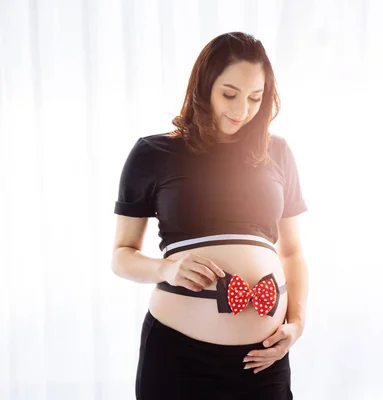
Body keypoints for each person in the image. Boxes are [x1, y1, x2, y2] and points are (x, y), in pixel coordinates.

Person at [111, 32, 309, 400]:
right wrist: (164, 268)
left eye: (255, 98)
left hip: (263, 359)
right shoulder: (152, 154)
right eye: (229, 95)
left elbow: (293, 252)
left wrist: (296, 323)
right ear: (204, 87)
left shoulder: (278, 152)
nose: (242, 111)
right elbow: (121, 255)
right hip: (178, 358)